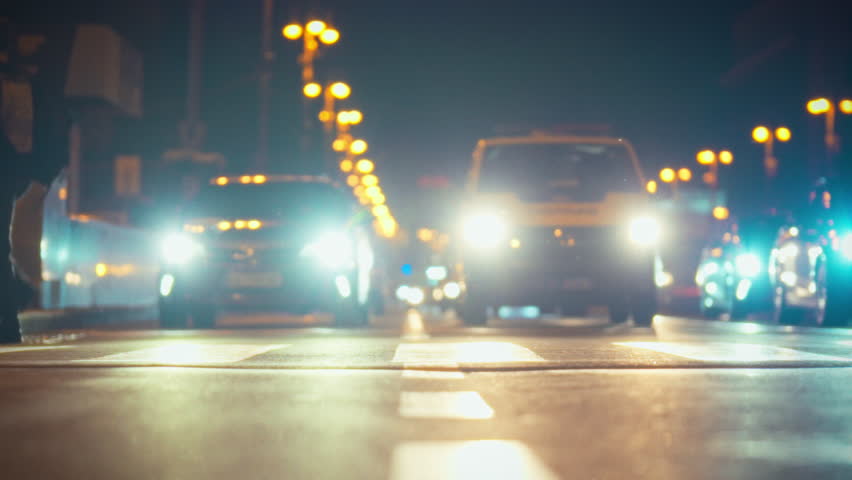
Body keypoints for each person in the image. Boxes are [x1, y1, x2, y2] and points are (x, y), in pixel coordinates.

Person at [0, 16, 72, 343]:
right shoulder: (19, 81)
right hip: (13, 173)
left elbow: (25, 134)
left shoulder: (18, 82)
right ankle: (14, 303)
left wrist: (27, 173)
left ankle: (11, 310)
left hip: (8, 172)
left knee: (4, 247)